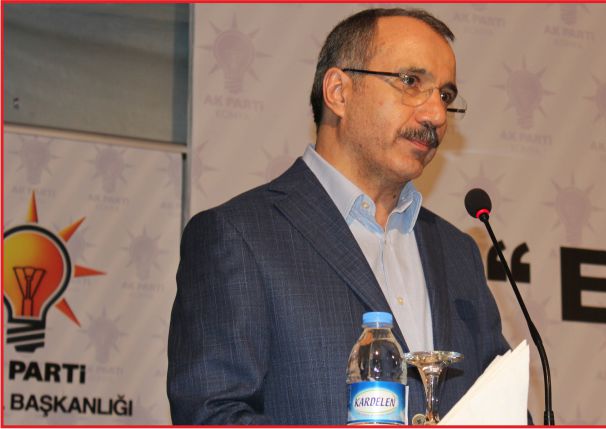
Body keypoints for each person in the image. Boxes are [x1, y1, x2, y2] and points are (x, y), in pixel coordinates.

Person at [167, 8, 511, 425]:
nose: (436, 115)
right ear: (339, 92)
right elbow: (212, 414)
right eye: (411, 82)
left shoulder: (458, 253)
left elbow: (505, 408)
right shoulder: (240, 235)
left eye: (445, 96)